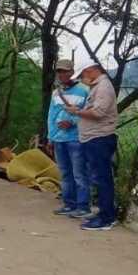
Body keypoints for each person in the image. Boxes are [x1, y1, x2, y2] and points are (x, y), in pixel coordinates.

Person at [62, 61, 119, 231]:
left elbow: (98, 113)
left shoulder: (103, 87)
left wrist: (76, 112)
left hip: (99, 138)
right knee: (98, 178)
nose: (81, 78)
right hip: (93, 138)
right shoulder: (97, 87)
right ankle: (104, 213)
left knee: (102, 179)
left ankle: (107, 218)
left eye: (82, 75)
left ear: (91, 71)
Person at [48, 59, 91, 219]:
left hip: (76, 138)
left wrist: (72, 122)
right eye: (59, 71)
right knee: (65, 173)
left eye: (64, 71)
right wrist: (50, 137)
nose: (61, 74)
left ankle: (83, 206)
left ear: (72, 72)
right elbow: (51, 116)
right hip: (58, 139)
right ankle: (69, 204)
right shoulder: (56, 92)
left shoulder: (84, 90)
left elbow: (90, 114)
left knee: (79, 173)